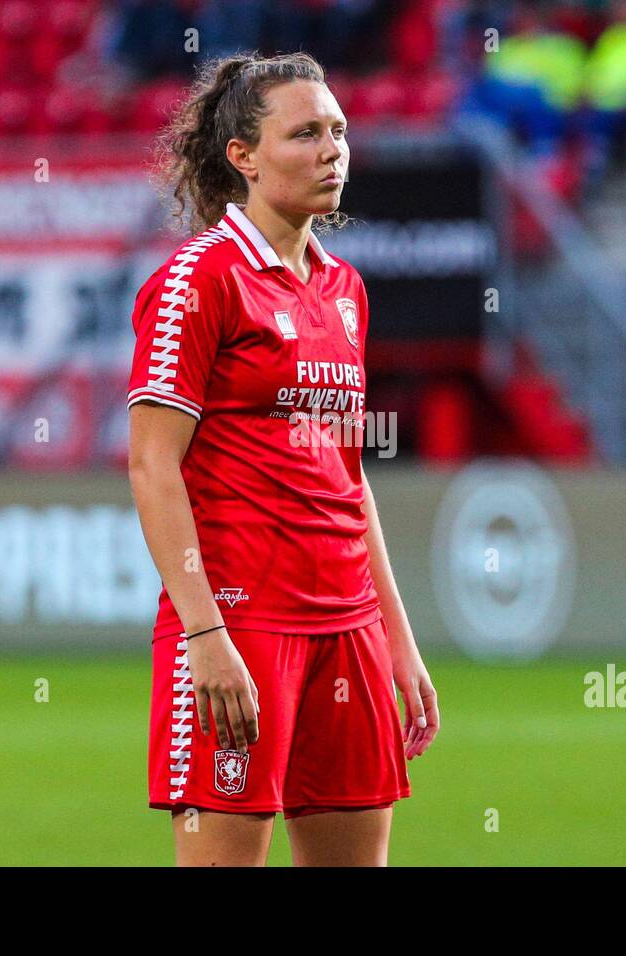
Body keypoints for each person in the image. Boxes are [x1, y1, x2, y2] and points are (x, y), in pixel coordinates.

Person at [127, 51, 440, 867]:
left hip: (348, 626)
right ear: (245, 156)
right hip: (243, 621)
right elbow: (153, 468)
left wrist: (395, 639)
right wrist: (205, 631)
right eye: (305, 133)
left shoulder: (345, 289)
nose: (333, 149)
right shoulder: (198, 282)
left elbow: (349, 475)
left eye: (338, 130)